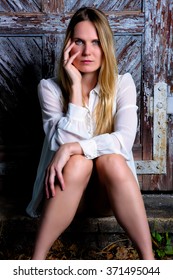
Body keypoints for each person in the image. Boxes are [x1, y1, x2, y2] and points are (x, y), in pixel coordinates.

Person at [26, 6, 154, 260]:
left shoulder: (121, 84)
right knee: (78, 166)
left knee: (112, 161)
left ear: (105, 46)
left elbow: (124, 140)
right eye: (79, 42)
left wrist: (74, 148)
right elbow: (60, 142)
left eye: (96, 42)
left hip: (107, 195)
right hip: (65, 192)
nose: (87, 51)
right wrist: (74, 88)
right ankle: (35, 263)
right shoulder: (49, 89)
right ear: (68, 46)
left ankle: (149, 264)